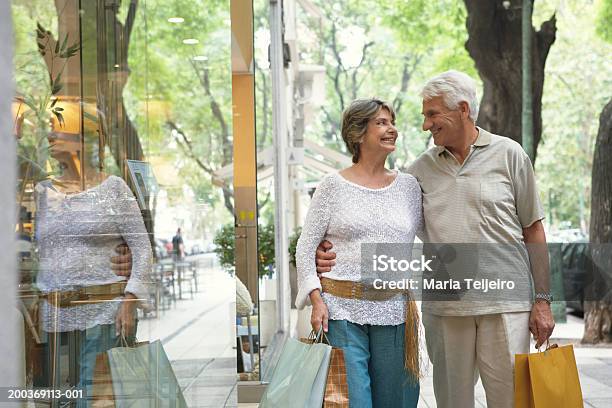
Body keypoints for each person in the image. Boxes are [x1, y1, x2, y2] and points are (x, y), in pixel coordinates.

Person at [315, 70, 555, 408]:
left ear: (462, 109)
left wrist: (543, 300)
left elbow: (533, 229)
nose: (425, 125)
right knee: (452, 402)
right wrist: (325, 252)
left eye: (432, 114)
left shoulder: (509, 155)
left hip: (506, 305)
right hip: (446, 308)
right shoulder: (417, 173)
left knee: (511, 400)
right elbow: (381, 222)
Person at [296, 98, 421, 408]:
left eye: (392, 122)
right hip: (341, 312)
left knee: (396, 401)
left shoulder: (409, 187)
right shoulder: (332, 186)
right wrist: (315, 299)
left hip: (394, 312)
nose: (392, 129)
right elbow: (305, 245)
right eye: (381, 122)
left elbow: (435, 236)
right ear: (358, 133)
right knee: (352, 401)